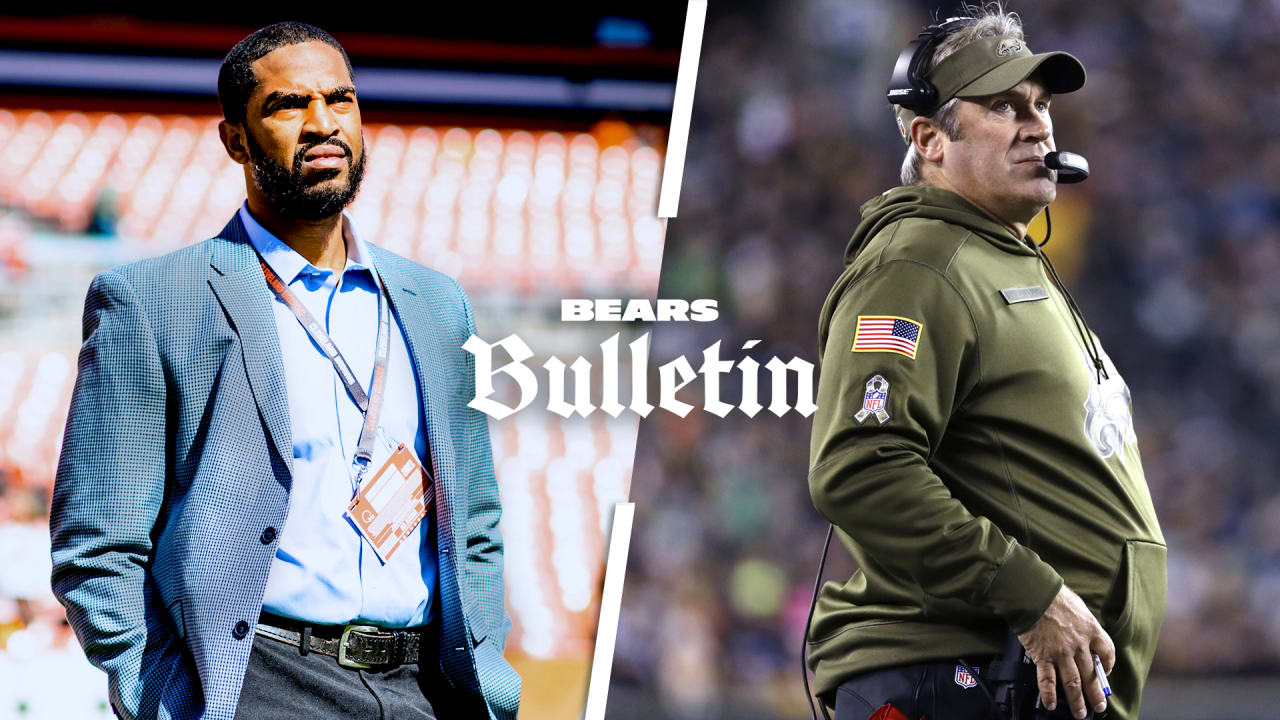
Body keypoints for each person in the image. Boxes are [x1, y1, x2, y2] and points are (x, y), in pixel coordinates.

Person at [49, 22, 519, 720]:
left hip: (424, 690)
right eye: (288, 105)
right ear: (235, 138)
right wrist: (173, 705)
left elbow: (474, 516)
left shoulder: (436, 304)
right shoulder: (150, 302)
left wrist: (486, 672)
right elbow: (97, 547)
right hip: (262, 685)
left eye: (340, 99)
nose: (322, 123)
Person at [807, 7, 1165, 720]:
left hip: (1022, 684)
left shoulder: (1000, 260)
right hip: (956, 679)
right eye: (1004, 105)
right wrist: (1033, 596)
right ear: (929, 139)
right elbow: (860, 465)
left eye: (1041, 105)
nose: (1039, 125)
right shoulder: (917, 263)